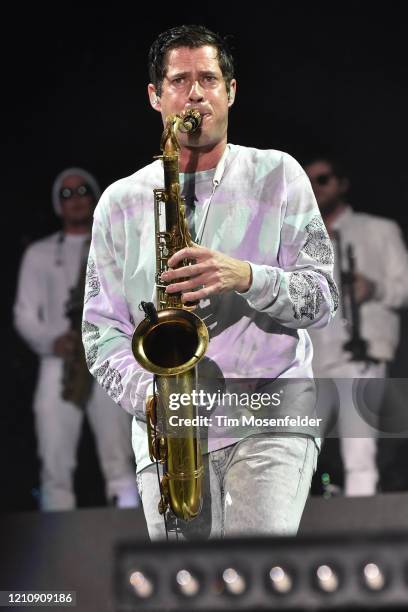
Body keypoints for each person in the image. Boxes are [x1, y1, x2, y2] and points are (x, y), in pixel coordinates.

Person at [82, 25, 338, 540]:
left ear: (231, 91)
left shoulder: (279, 174)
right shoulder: (120, 201)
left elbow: (323, 297)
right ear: (156, 97)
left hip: (270, 415)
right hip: (172, 430)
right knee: (184, 590)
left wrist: (245, 276)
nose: (195, 93)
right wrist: (153, 399)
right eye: (179, 81)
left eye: (209, 79)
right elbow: (99, 332)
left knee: (253, 580)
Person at [14, 167, 140, 511]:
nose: (76, 199)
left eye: (82, 190)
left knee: (118, 458)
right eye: (67, 194)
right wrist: (53, 341)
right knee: (55, 463)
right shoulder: (38, 254)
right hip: (60, 365)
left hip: (107, 358)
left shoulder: (116, 247)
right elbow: (24, 313)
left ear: (95, 196)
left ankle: (125, 530)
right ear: (58, 204)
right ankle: (59, 545)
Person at [304, 154, 408, 496]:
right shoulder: (297, 237)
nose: (316, 189)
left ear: (342, 184)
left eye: (323, 180)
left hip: (357, 356)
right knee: (295, 455)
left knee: (359, 455)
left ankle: (360, 542)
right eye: (309, 181)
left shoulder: (377, 230)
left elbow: (404, 286)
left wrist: (373, 288)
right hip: (308, 360)